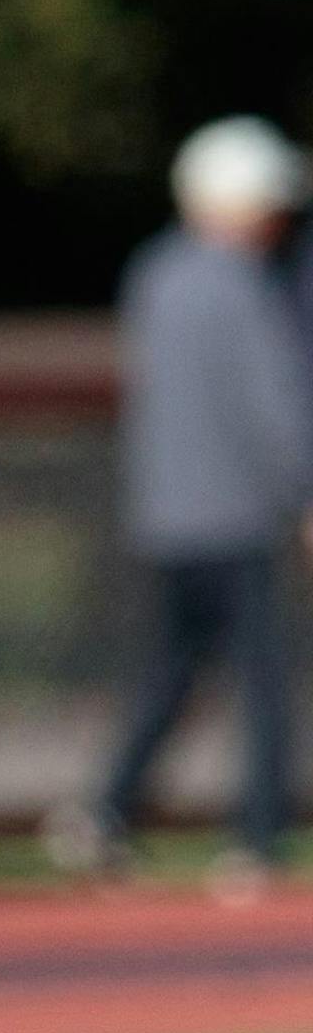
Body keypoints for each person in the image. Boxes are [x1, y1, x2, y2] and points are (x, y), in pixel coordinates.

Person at [46, 115, 313, 899]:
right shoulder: (243, 284)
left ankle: (107, 808)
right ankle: (257, 838)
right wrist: (305, 490)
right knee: (263, 680)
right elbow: (275, 404)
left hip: (165, 515)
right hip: (238, 518)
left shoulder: (155, 274)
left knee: (171, 670)